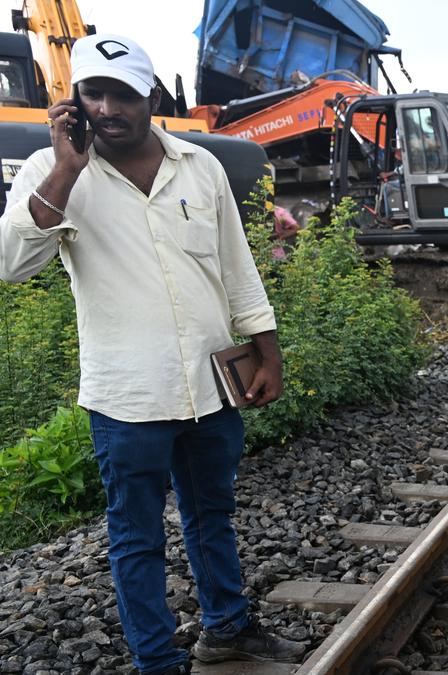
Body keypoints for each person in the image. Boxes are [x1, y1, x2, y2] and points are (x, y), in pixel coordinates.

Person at [0, 35, 305, 674]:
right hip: (126, 395)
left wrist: (268, 352)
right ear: (75, 100)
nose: (108, 108)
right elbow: (12, 267)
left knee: (212, 515)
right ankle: (156, 662)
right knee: (135, 536)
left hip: (209, 380)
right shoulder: (49, 170)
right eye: (94, 94)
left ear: (151, 98)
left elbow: (236, 267)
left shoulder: (200, 165)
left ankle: (227, 627)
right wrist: (65, 169)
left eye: (123, 95)